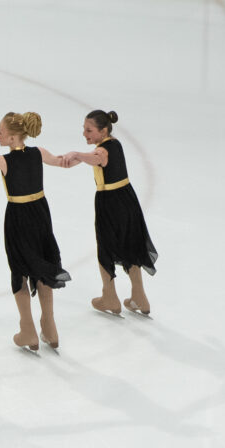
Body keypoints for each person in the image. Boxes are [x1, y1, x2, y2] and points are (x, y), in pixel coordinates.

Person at [0, 112, 71, 352]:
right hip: (41, 214)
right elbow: (63, 161)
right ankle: (50, 329)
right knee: (42, 265)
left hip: (18, 218)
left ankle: (28, 331)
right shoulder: (39, 152)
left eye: (0, 132)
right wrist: (82, 157)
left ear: (12, 138)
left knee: (20, 269)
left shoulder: (3, 161)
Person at [60, 110, 158, 316]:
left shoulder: (102, 150)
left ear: (103, 130)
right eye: (83, 129)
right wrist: (69, 159)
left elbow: (97, 157)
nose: (84, 133)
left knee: (105, 247)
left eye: (89, 130)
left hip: (110, 203)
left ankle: (110, 297)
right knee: (130, 244)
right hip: (127, 198)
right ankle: (139, 297)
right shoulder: (114, 143)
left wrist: (77, 154)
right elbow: (92, 158)